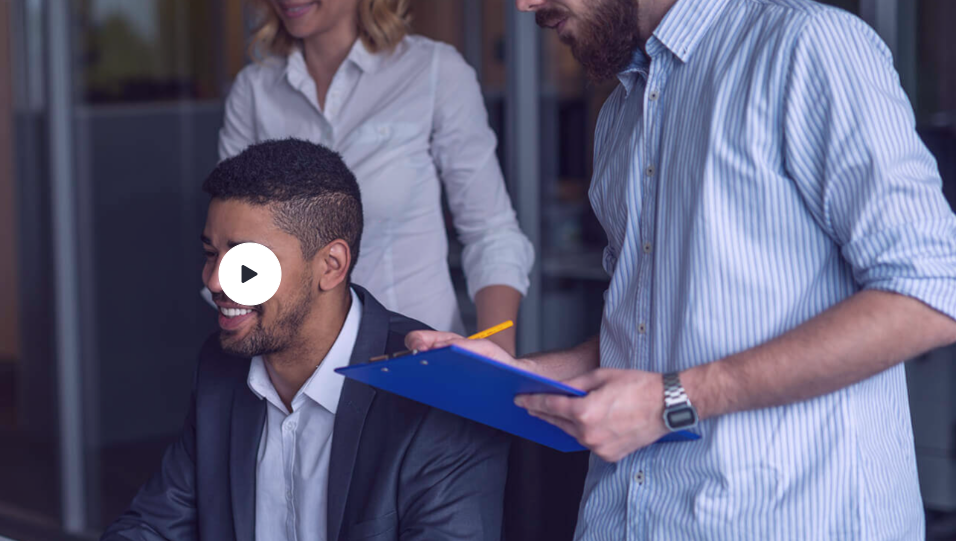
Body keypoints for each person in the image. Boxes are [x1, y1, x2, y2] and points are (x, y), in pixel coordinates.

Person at [407, 0, 956, 538]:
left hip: (786, 518)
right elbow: (648, 333)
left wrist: (672, 401)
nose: (525, 5)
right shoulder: (621, 112)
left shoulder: (806, 46)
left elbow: (931, 294)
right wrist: (520, 372)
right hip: (625, 518)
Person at [104, 139, 509, 541]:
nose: (213, 281)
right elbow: (153, 526)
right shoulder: (220, 366)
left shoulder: (437, 395)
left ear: (331, 265)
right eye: (212, 254)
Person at [219, 0, 534, 352]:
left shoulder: (433, 70)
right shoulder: (253, 90)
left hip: (415, 356)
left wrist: (496, 357)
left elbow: (491, 233)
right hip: (293, 363)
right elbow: (232, 244)